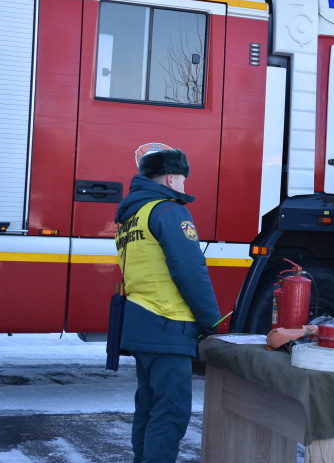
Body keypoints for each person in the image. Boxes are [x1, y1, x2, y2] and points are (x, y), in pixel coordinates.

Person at [115, 149, 222, 463]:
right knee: (171, 412)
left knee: (148, 408)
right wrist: (211, 321)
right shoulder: (169, 210)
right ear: (172, 177)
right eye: (183, 179)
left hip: (140, 321)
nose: (185, 187)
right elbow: (190, 270)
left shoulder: (131, 214)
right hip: (168, 322)